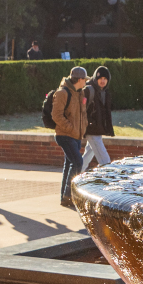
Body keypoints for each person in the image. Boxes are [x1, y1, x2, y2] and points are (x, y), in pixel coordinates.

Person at [49, 68, 90, 202]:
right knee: (78, 162)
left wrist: (82, 128)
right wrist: (71, 128)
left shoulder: (80, 92)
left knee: (69, 164)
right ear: (79, 79)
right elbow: (56, 115)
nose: (85, 82)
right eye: (85, 79)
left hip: (76, 135)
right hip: (65, 135)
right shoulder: (62, 93)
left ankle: (64, 196)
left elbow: (82, 114)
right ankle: (69, 195)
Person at [82, 65, 114, 171]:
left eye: (105, 79)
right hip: (92, 129)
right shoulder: (89, 90)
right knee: (105, 161)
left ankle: (73, 177)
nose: (102, 81)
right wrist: (90, 123)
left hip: (97, 129)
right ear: (96, 78)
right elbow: (82, 109)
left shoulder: (104, 92)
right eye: (100, 78)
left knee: (87, 156)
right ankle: (110, 181)